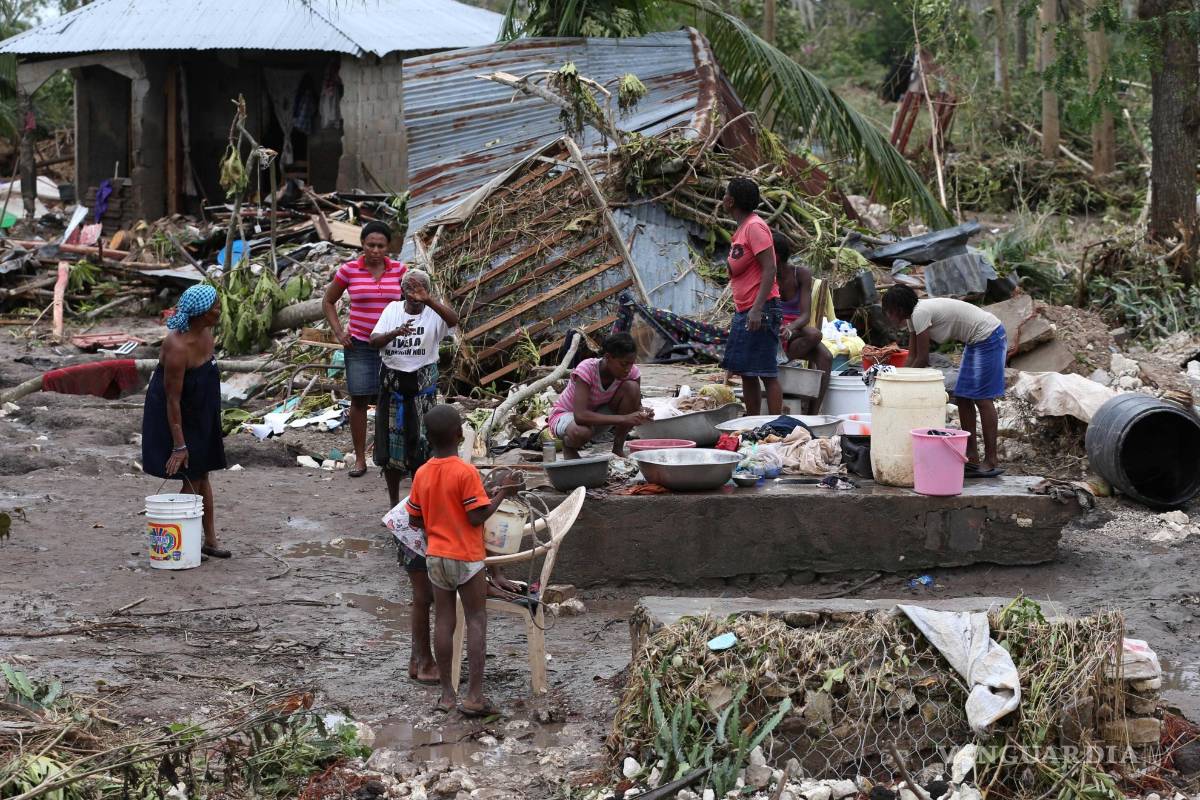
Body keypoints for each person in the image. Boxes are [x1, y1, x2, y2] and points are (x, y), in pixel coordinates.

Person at [405, 405, 518, 716]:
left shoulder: (423, 473)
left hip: (436, 558)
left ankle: (447, 696)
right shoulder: (466, 471)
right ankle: (475, 697)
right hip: (467, 559)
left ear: (429, 439)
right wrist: (502, 495)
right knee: (476, 620)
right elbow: (475, 516)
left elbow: (414, 519)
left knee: (443, 621)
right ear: (459, 435)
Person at [141, 284, 229, 559]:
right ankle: (183, 540)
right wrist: (179, 445)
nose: (219, 310)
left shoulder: (206, 334)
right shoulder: (177, 347)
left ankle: (209, 540)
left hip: (200, 410)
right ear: (201, 313)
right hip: (175, 414)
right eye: (215, 307)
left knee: (202, 473)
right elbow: (172, 399)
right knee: (193, 475)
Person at [882, 285, 1007, 478]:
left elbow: (922, 359)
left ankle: (991, 460)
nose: (888, 317)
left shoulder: (920, 313)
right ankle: (971, 456)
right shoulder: (913, 318)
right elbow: (912, 356)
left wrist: (903, 382)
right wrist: (896, 378)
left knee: (982, 399)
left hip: (989, 336)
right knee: (963, 398)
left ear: (898, 309)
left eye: (889, 312)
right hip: (975, 341)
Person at [322, 221, 406, 477]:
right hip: (359, 343)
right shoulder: (349, 271)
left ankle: (388, 456)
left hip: (392, 345)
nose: (376, 250)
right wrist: (339, 332)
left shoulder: (400, 270)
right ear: (362, 245)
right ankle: (360, 459)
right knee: (359, 398)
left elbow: (410, 303)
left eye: (381, 246)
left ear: (389, 246)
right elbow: (328, 301)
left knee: (389, 399)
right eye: (371, 245)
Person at [370, 269, 460, 507]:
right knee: (390, 453)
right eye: (410, 288)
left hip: (422, 391)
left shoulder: (433, 313)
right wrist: (395, 333)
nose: (414, 293)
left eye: (420, 288)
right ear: (402, 290)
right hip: (393, 388)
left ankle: (418, 504)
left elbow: (454, 321)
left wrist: (428, 300)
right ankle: (393, 503)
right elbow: (374, 341)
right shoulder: (392, 310)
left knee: (422, 449)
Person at [720, 177, 783, 417]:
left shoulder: (755, 227)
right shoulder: (743, 228)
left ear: (731, 201)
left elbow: (770, 268)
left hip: (761, 309)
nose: (723, 197)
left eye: (725, 194)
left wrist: (757, 309)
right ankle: (753, 422)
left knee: (766, 372)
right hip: (746, 309)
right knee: (747, 370)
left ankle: (778, 423)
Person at [546, 333, 652, 460]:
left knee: (632, 387)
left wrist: (643, 412)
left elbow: (636, 405)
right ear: (608, 357)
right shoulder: (587, 369)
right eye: (623, 364)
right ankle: (569, 446)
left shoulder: (632, 372)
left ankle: (617, 449)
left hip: (597, 418)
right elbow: (580, 416)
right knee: (581, 433)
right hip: (567, 416)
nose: (628, 369)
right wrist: (624, 418)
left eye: (631, 363)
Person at [775, 231, 834, 414]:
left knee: (824, 352)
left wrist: (790, 329)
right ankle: (782, 359)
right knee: (820, 348)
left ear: (775, 255)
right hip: (773, 330)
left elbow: (805, 315)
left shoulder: (801, 274)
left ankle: (813, 413)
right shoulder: (765, 275)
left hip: (796, 328)